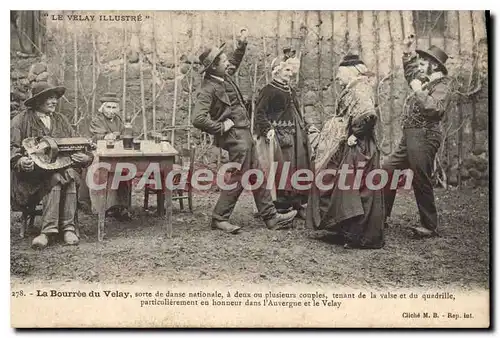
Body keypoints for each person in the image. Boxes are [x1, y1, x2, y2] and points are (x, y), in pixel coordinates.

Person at [192, 30, 297, 234]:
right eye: (222, 60)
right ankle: (219, 218)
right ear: (213, 66)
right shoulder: (208, 88)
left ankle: (271, 218)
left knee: (255, 173)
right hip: (234, 138)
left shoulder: (223, 76)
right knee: (239, 176)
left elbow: (234, 61)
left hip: (244, 135)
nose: (227, 63)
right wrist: (221, 127)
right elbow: (198, 118)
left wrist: (241, 45)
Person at [306, 55, 385, 249]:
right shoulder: (355, 88)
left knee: (354, 189)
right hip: (355, 145)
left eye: (340, 73)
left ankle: (359, 237)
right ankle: (348, 232)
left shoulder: (360, 88)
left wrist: (356, 134)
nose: (337, 77)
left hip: (360, 148)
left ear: (350, 72)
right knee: (348, 188)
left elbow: (368, 114)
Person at [383, 37, 452, 238]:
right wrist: (406, 51)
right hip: (410, 137)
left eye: (424, 63)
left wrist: (417, 90)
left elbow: (435, 109)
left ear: (434, 66)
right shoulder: (425, 79)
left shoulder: (443, 85)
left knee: (420, 178)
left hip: (425, 136)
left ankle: (429, 225)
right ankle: (382, 216)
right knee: (387, 171)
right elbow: (411, 70)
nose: (420, 66)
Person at [11, 82, 93, 249]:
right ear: (37, 100)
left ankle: (67, 229)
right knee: (56, 177)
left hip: (61, 170)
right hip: (31, 178)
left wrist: (85, 157)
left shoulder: (60, 120)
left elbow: (76, 143)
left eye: (55, 98)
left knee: (67, 175)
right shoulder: (20, 120)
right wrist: (19, 160)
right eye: (49, 98)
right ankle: (48, 231)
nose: (54, 101)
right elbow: (10, 147)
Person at [254, 54, 312, 218]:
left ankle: (297, 203)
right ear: (277, 71)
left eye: (291, 70)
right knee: (282, 168)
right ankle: (280, 205)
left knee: (298, 166)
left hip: (296, 135)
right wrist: (267, 129)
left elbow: (298, 112)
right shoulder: (268, 90)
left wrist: (306, 127)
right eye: (287, 69)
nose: (290, 73)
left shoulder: (291, 90)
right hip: (279, 136)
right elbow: (259, 114)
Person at [79, 92, 132, 220]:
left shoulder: (118, 120)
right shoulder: (97, 120)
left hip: (115, 152)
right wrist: (110, 136)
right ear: (102, 108)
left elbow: (123, 134)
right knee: (99, 168)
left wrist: (118, 135)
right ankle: (101, 207)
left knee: (123, 168)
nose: (112, 111)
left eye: (114, 108)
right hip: (98, 151)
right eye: (109, 107)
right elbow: (98, 137)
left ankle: (120, 205)